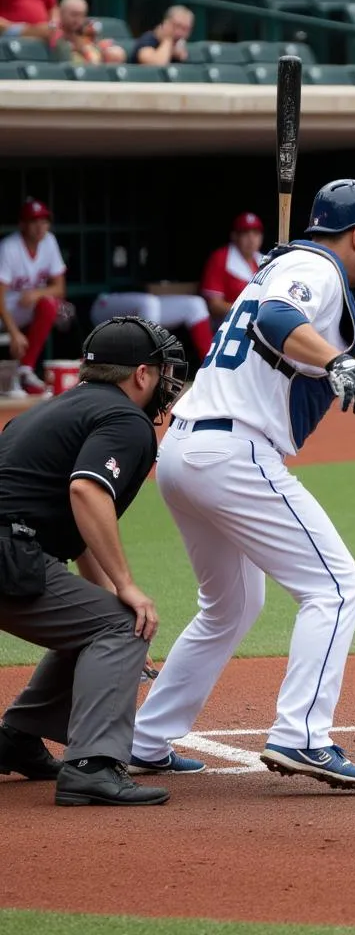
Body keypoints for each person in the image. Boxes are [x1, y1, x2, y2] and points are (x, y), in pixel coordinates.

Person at [130, 180, 355, 789]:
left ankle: (145, 739)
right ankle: (301, 736)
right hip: (231, 451)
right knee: (336, 587)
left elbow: (279, 314)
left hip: (183, 452)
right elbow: (278, 320)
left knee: (232, 605)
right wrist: (335, 361)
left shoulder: (292, 267)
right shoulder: (316, 265)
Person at [0, 316, 187, 806]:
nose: (168, 382)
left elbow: (79, 528)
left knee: (100, 618)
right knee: (123, 625)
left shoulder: (56, 408)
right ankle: (94, 766)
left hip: (12, 552)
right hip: (8, 556)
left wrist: (108, 594)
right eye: (163, 371)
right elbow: (86, 490)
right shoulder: (126, 420)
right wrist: (126, 587)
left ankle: (17, 738)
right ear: (141, 375)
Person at [0, 198, 70, 398]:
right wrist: (14, 332)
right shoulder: (9, 247)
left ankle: (26, 370)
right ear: (22, 224)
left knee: (52, 305)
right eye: (34, 221)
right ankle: (10, 380)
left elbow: (60, 288)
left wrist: (37, 293)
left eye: (44, 221)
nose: (40, 227)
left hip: (23, 306)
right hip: (4, 308)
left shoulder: (49, 241)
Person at [89, 288, 214, 362]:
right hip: (103, 306)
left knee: (195, 304)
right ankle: (150, 364)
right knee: (149, 303)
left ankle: (210, 365)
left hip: (145, 305)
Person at [200, 212, 265, 328]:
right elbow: (214, 306)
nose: (251, 239)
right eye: (245, 233)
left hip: (257, 322)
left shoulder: (264, 260)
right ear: (235, 236)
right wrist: (248, 312)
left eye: (255, 233)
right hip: (225, 323)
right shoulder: (221, 257)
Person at [50, 0, 127, 65]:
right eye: (74, 15)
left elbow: (99, 49)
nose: (78, 20)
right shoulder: (54, 32)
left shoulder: (89, 31)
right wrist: (81, 48)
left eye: (81, 15)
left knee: (116, 52)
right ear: (61, 13)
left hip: (94, 70)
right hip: (70, 73)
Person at [129, 6, 193, 67]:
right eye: (177, 26)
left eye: (185, 29)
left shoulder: (180, 46)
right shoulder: (148, 40)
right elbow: (158, 65)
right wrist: (167, 40)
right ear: (166, 23)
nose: (180, 33)